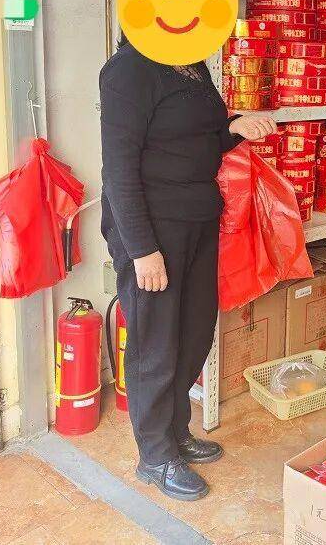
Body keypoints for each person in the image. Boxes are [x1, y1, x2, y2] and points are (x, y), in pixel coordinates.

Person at [99, 35, 276, 500]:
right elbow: (118, 170)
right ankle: (155, 454)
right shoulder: (128, 71)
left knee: (194, 334)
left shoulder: (192, 63)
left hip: (198, 219)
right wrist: (142, 249)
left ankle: (176, 432)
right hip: (153, 229)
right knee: (155, 343)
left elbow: (205, 137)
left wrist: (236, 128)